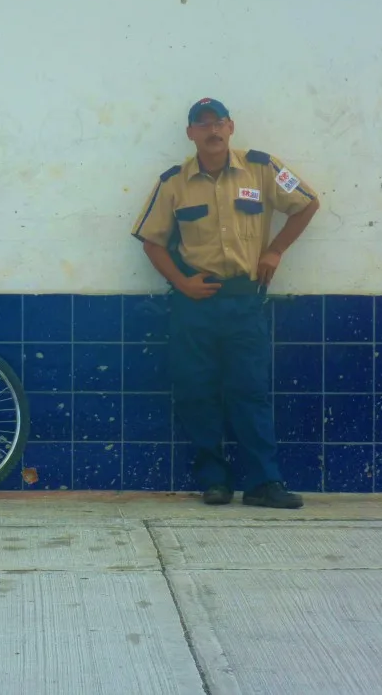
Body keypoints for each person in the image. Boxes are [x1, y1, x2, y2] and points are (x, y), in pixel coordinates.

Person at [130, 98, 320, 509]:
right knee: (197, 391)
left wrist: (275, 251)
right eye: (203, 125)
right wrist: (181, 283)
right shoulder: (174, 182)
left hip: (243, 302)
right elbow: (151, 241)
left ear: (231, 127)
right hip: (194, 305)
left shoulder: (262, 167)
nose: (212, 131)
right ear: (191, 133)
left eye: (219, 123)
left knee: (249, 390)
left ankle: (264, 483)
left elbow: (307, 204)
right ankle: (214, 481)